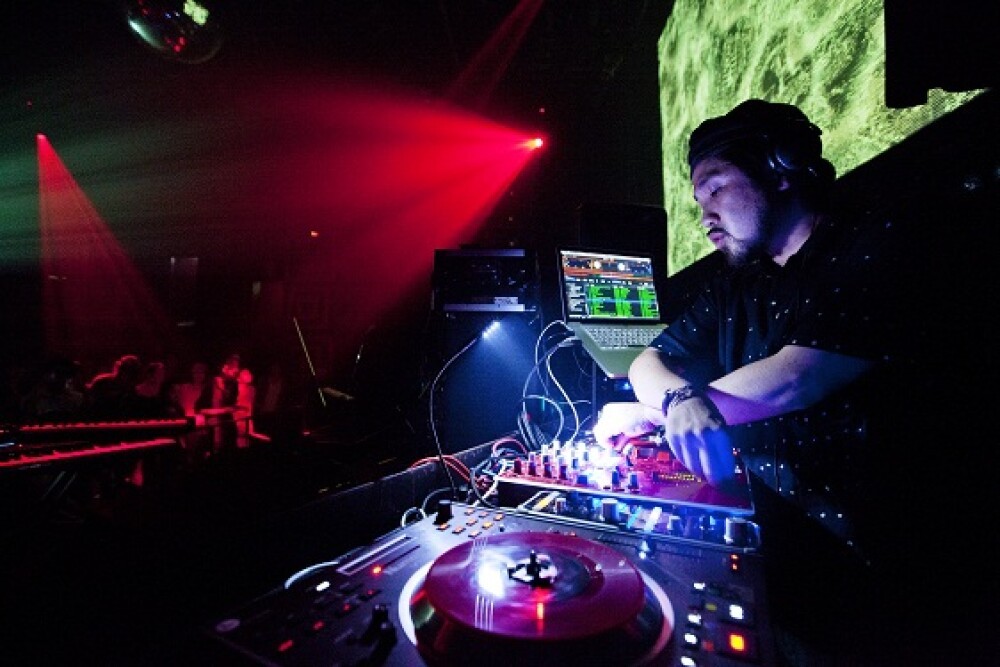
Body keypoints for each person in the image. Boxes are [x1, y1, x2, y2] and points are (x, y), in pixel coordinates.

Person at [592, 99, 906, 664]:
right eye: (698, 201)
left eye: (715, 188)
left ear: (780, 167)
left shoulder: (870, 243)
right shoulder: (735, 283)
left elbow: (797, 377)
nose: (705, 216)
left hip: (860, 559)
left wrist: (659, 411)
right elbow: (646, 361)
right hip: (765, 540)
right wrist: (676, 398)